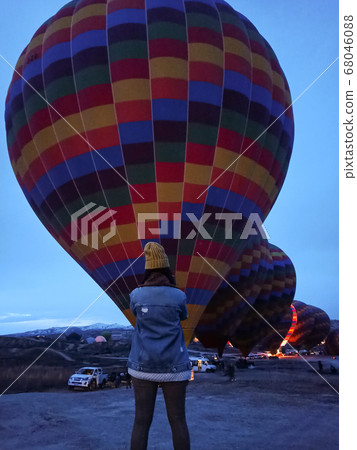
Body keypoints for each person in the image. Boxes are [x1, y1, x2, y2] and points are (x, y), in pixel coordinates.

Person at [128, 242, 191, 450]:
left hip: (142, 367)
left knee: (141, 423)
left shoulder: (136, 295)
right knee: (178, 421)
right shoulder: (179, 296)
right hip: (174, 368)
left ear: (147, 268)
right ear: (166, 268)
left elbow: (136, 314)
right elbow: (183, 316)